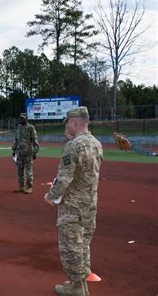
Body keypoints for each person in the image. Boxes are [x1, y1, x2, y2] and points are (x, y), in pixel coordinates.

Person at [44, 106, 103, 296]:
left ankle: (77, 288)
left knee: (70, 245)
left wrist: (51, 195)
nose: (67, 125)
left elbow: (64, 178)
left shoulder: (74, 145)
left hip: (73, 205)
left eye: (68, 122)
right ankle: (82, 283)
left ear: (76, 122)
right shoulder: (95, 143)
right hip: (89, 204)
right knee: (83, 243)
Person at [12, 113, 39, 194]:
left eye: (23, 118)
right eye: (20, 118)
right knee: (20, 170)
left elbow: (35, 140)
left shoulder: (31, 127)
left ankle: (29, 187)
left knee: (28, 170)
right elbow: (16, 140)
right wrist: (14, 151)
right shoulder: (18, 127)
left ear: (26, 118)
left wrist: (34, 152)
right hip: (19, 152)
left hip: (28, 152)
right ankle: (21, 186)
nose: (21, 119)